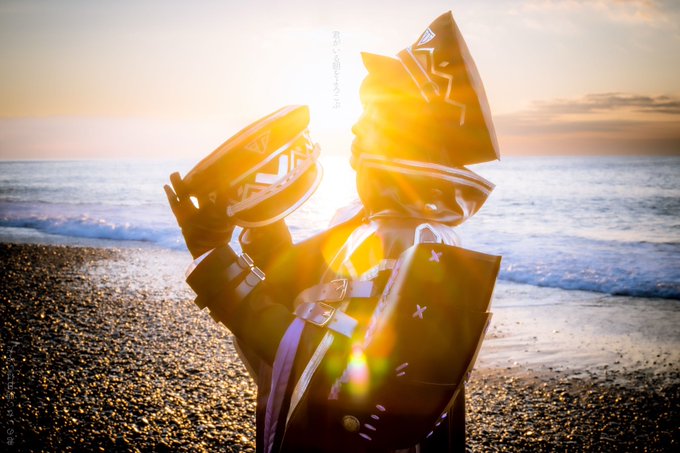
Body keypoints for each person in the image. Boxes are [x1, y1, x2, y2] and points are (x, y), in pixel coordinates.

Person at [165, 11, 500, 453]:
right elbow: (297, 296)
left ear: (413, 137)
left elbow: (341, 383)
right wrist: (261, 222)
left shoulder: (422, 246)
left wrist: (214, 260)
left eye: (374, 114)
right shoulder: (362, 222)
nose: (356, 127)